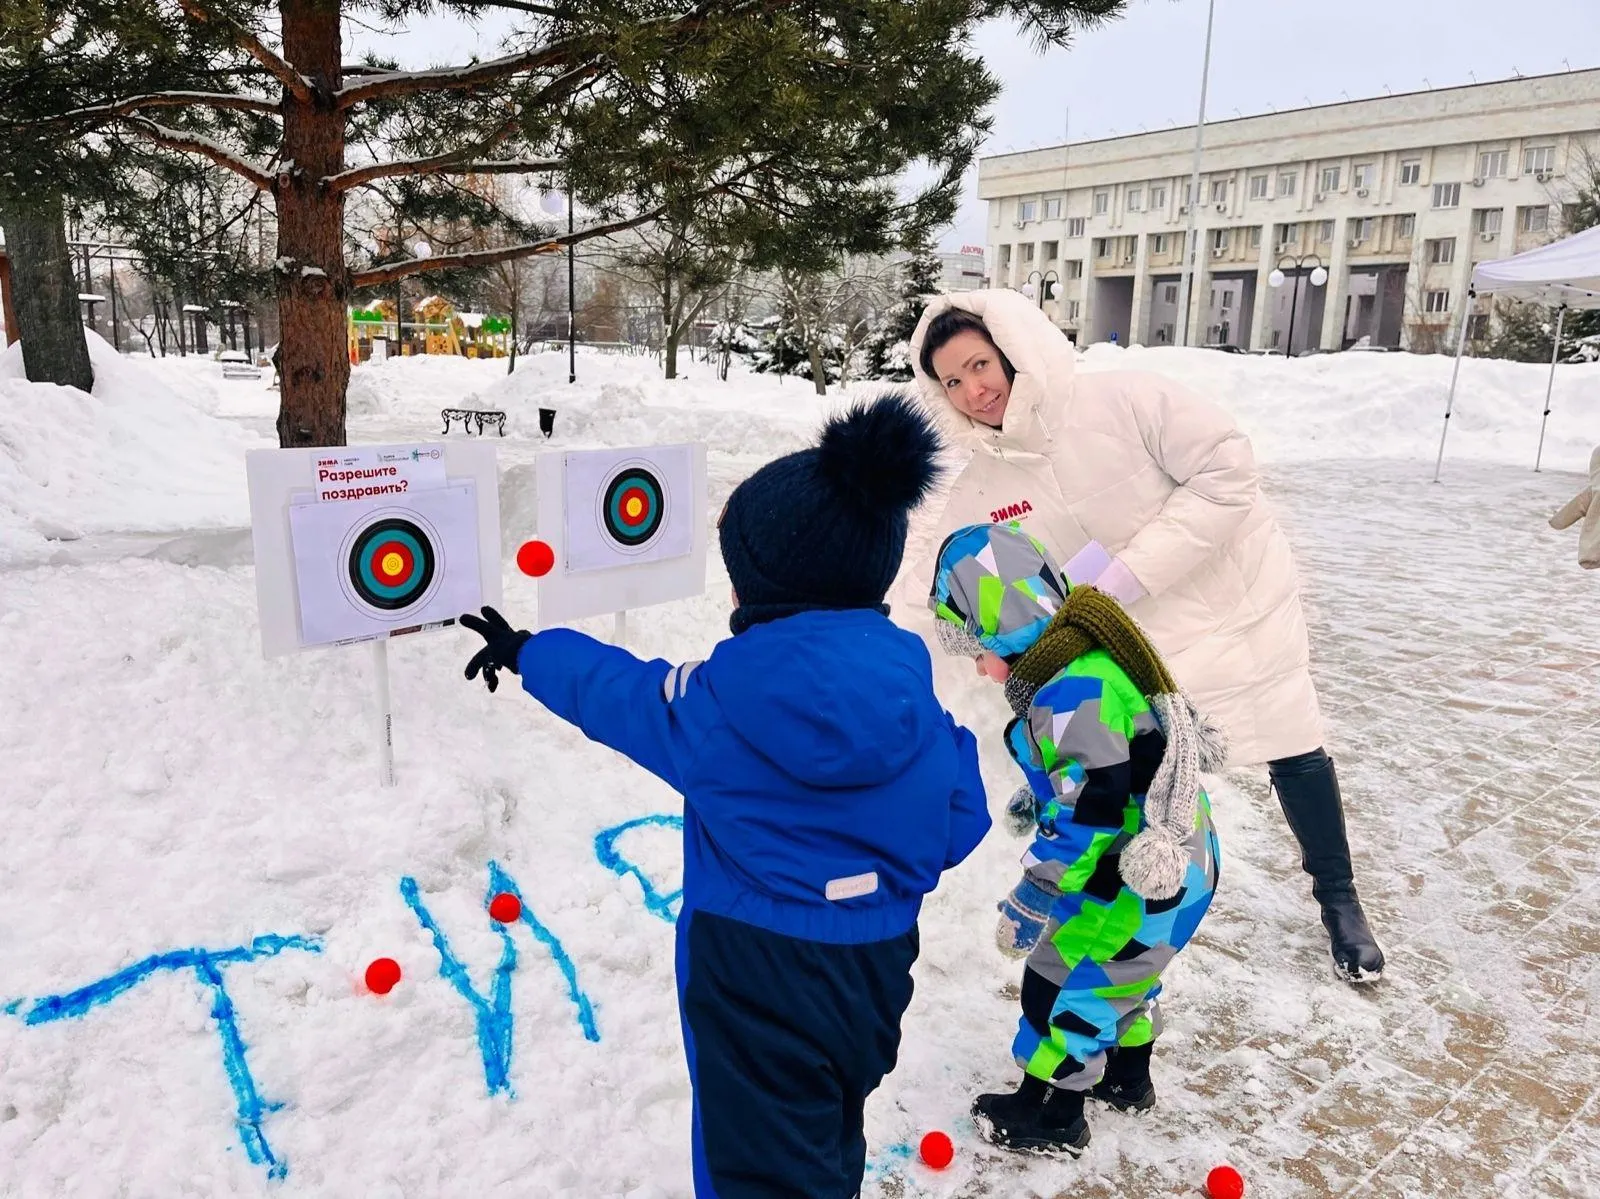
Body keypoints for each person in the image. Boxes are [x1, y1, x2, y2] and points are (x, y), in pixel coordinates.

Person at [460, 394, 992, 1198]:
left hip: (752, 970)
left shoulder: (713, 707)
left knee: (755, 1166)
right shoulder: (917, 701)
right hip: (877, 966)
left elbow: (618, 692)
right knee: (824, 1122)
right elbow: (963, 818)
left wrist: (530, 650)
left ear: (759, 589)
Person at [899, 289, 1383, 984]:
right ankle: (1135, 958)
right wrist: (967, 643)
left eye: (981, 364)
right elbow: (953, 577)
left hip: (1232, 602)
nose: (974, 389)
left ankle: (1339, 898)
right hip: (1131, 647)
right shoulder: (984, 483)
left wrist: (1124, 577)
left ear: (1014, 351)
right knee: (1144, 784)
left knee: (1292, 742)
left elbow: (1227, 471)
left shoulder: (1125, 399)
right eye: (952, 380)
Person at [928, 522, 1220, 1155]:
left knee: (1060, 978)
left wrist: (1034, 893)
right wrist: (1043, 793)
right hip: (1181, 860)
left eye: (977, 646)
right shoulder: (1086, 661)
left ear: (1005, 624)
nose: (979, 667)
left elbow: (1091, 808)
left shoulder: (1069, 691)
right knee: (1122, 975)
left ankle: (1053, 1114)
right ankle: (1126, 1076)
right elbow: (1104, 767)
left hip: (1136, 874)